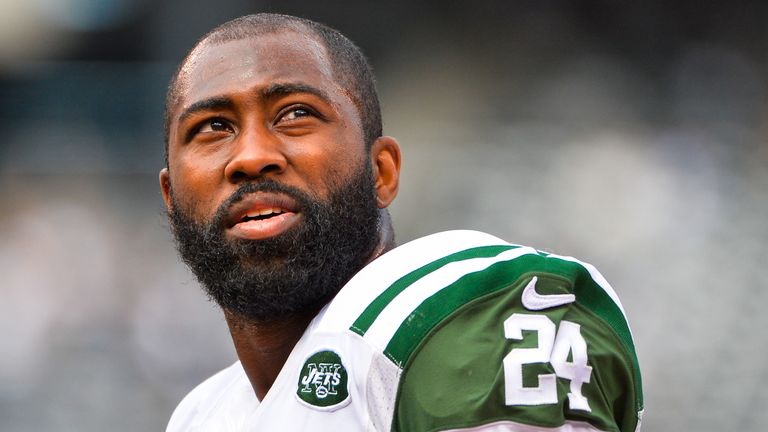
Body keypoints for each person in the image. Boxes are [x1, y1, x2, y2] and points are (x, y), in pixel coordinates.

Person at [160, 13, 643, 432]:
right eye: (213, 127)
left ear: (382, 172)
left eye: (295, 114)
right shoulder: (202, 415)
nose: (251, 156)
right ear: (170, 197)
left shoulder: (450, 318)